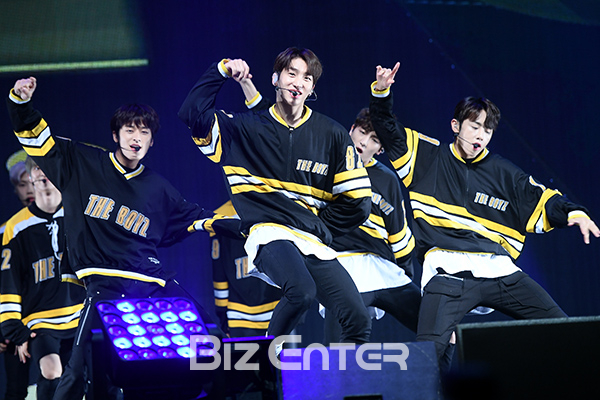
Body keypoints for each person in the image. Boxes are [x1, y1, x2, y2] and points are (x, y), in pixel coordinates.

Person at [7, 76, 237, 399]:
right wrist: (21, 102)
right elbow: (38, 141)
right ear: (115, 135)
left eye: (144, 132)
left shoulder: (158, 188)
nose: (136, 138)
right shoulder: (82, 163)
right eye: (129, 130)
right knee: (79, 367)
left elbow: (196, 218)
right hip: (104, 283)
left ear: (152, 142)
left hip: (151, 282)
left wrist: (242, 224)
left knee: (212, 337)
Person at [369, 62, 600, 372]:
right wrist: (381, 91)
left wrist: (576, 212)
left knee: (565, 331)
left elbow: (544, 198)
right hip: (448, 273)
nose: (481, 135)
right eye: (475, 126)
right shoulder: (427, 157)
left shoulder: (504, 173)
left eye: (488, 130)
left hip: (499, 272)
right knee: (428, 357)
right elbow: (387, 127)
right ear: (456, 126)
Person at [178, 47, 373, 344]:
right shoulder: (243, 128)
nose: (298, 82)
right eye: (291, 73)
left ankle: (345, 376)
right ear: (275, 79)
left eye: (307, 78)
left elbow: (358, 202)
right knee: (301, 292)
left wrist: (317, 224)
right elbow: (191, 113)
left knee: (358, 318)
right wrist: (221, 70)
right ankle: (268, 358)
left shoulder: (332, 134)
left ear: (312, 88)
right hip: (268, 231)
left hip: (311, 239)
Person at [237, 77, 421, 343]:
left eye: (374, 139)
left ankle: (446, 374)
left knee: (437, 328)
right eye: (362, 132)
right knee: (341, 346)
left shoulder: (387, 179)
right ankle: (278, 354)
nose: (364, 142)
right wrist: (247, 85)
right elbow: (276, 124)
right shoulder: (323, 158)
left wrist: (405, 272)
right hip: (337, 261)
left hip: (381, 267)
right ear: (351, 130)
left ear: (380, 149)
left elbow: (400, 235)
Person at [1, 157, 85, 400]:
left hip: (79, 315)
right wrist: (9, 327)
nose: (44, 175)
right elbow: (8, 281)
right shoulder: (13, 228)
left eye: (49, 168)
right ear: (30, 179)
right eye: (37, 169)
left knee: (83, 379)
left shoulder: (80, 214)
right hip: (34, 321)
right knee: (38, 377)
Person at [211, 201, 281, 338]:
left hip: (238, 313)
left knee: (244, 354)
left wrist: (222, 313)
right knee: (277, 353)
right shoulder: (273, 206)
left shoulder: (219, 216)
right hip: (276, 309)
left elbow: (219, 272)